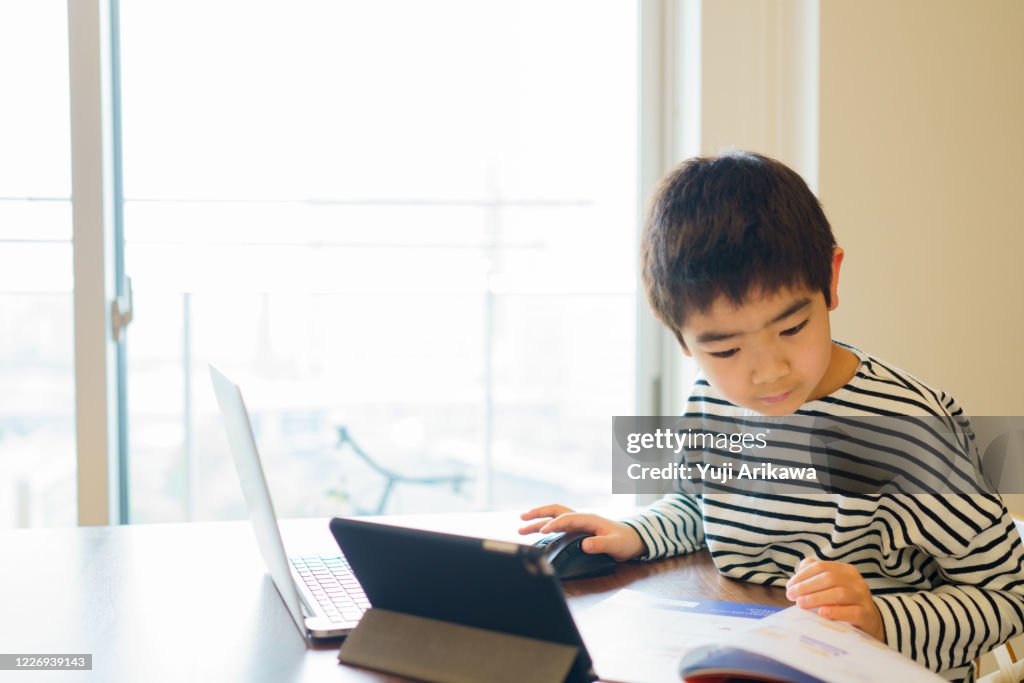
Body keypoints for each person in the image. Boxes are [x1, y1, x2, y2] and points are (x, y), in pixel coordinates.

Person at [520, 151, 1024, 682]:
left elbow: (1008, 595)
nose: (767, 374)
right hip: (748, 653)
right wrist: (634, 533)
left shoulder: (911, 431)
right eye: (726, 351)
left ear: (831, 280)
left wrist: (880, 617)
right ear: (677, 335)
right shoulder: (712, 401)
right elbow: (705, 508)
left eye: (790, 330)